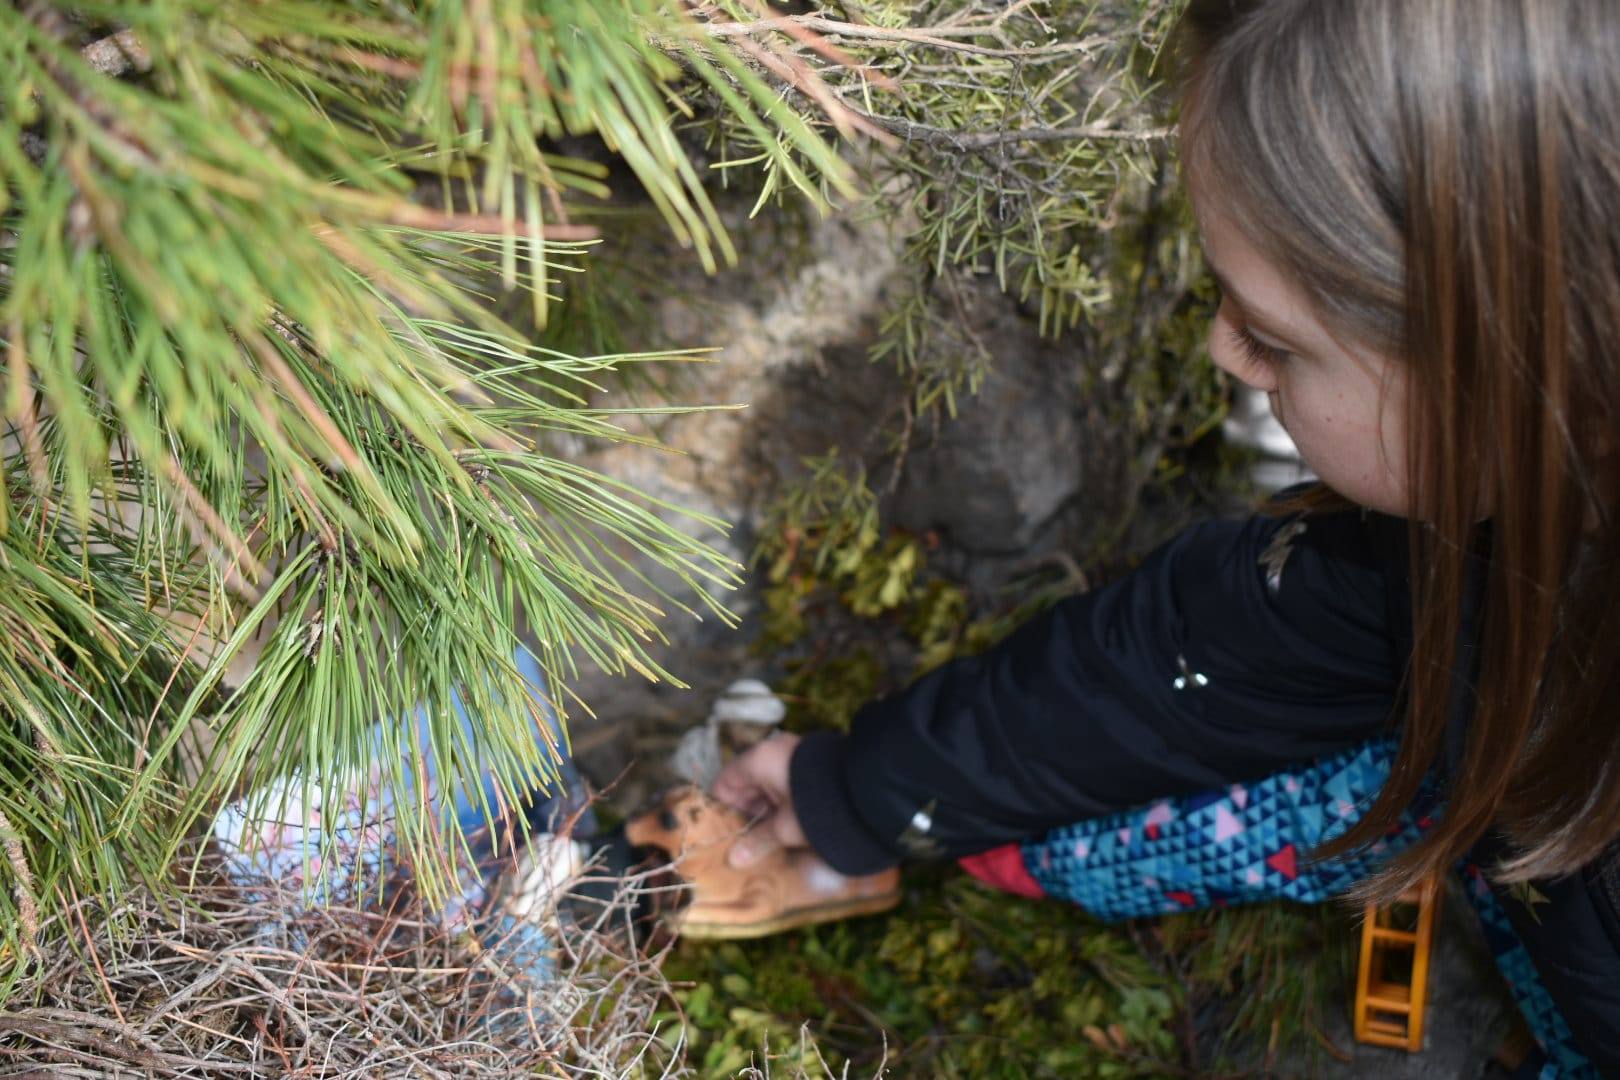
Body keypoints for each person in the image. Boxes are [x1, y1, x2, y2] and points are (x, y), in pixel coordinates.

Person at [710, 1, 1620, 1074]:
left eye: (1274, 340)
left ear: (1524, 372)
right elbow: (1196, 651)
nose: (1225, 354)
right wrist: (864, 788)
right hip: (1538, 838)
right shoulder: (1432, 546)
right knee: (1053, 837)